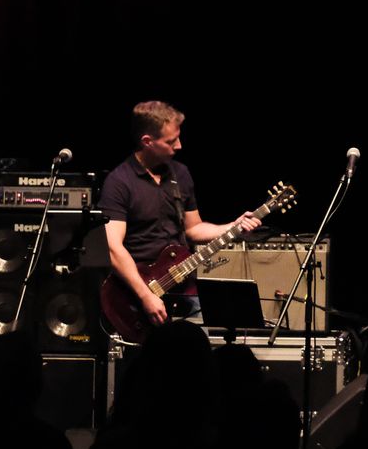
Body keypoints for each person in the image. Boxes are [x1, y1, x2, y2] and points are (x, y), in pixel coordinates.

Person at [102, 100, 262, 329]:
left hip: (184, 288)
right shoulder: (119, 182)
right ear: (147, 141)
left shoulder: (180, 174)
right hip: (136, 293)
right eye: (170, 141)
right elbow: (113, 248)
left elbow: (193, 229)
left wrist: (232, 226)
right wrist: (145, 296)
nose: (179, 146)